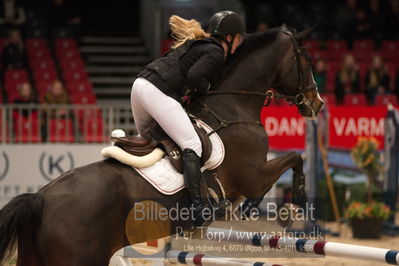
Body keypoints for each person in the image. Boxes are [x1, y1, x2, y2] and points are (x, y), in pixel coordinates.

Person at [131, 11, 245, 224]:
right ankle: (199, 208)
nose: (239, 44)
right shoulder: (216, 52)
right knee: (192, 143)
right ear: (228, 37)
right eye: (238, 38)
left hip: (140, 86)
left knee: (151, 145)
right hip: (156, 90)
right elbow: (195, 76)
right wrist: (206, 89)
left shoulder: (201, 45)